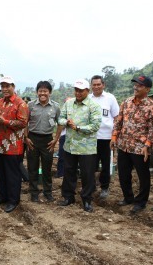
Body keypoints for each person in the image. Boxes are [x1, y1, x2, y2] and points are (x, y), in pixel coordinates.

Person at [111, 75, 153, 214]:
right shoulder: (126, 102)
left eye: (140, 85)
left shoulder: (152, 105)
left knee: (143, 176)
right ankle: (128, 197)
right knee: (123, 174)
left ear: (147, 89)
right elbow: (118, 121)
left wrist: (147, 145)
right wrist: (114, 137)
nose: (136, 87)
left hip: (140, 147)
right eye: (135, 85)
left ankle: (141, 202)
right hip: (124, 145)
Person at [57, 79, 101, 212]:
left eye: (81, 90)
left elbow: (95, 126)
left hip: (86, 147)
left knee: (87, 174)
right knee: (69, 171)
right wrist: (66, 121)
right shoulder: (68, 103)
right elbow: (60, 118)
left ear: (87, 91)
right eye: (76, 90)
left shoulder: (93, 106)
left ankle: (87, 199)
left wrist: (77, 127)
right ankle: (68, 197)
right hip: (70, 145)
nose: (78, 92)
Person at [0, 76, 28, 213]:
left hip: (13, 145)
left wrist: (4, 121)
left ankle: (13, 200)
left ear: (13, 86)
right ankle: (3, 196)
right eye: (3, 86)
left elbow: (22, 123)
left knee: (12, 174)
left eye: (7, 86)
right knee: (1, 172)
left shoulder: (20, 104)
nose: (5, 89)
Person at [25, 81, 61, 203]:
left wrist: (56, 138)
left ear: (50, 93)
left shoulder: (55, 106)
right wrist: (26, 137)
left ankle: (47, 192)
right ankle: (34, 192)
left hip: (47, 140)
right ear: (37, 92)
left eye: (45, 91)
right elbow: (25, 122)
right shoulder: (30, 105)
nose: (42, 93)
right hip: (32, 139)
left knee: (47, 168)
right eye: (40, 91)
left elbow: (60, 123)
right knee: (32, 167)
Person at [89, 75, 120, 199]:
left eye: (98, 84)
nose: (96, 87)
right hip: (91, 137)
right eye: (94, 84)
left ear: (103, 85)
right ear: (91, 86)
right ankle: (91, 186)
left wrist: (114, 136)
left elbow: (117, 117)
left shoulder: (110, 98)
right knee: (90, 164)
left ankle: (104, 187)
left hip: (106, 138)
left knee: (106, 164)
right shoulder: (88, 98)